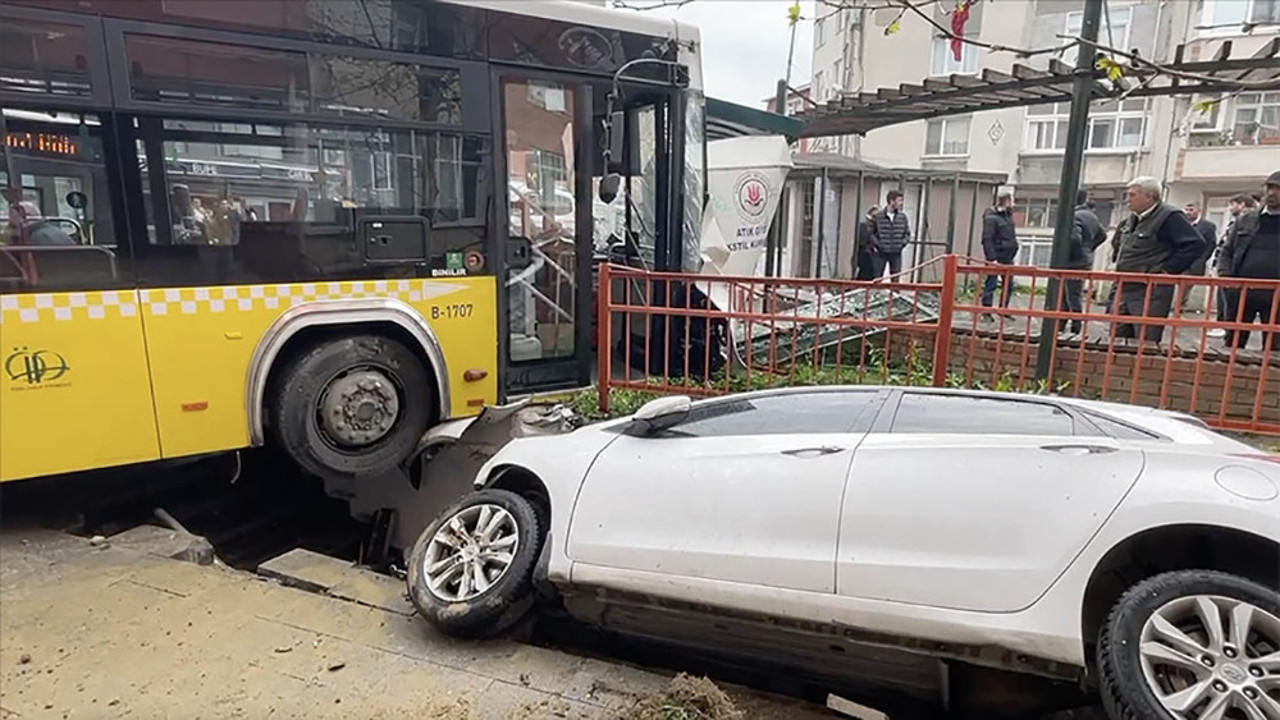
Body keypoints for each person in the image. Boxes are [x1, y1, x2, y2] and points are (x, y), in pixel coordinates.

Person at [1111, 176, 1206, 343]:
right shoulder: (1133, 219)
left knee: (1145, 340)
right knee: (1116, 339)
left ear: (1149, 196)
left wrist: (1168, 270)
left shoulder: (1169, 216)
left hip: (1149, 290)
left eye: (1132, 195)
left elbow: (1195, 244)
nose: (1127, 200)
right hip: (1124, 287)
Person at [1218, 171, 1280, 350]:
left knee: (1274, 348)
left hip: (1276, 296)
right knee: (1233, 343)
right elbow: (1226, 251)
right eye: (1269, 187)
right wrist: (1226, 278)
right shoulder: (1246, 220)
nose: (1272, 193)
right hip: (1242, 292)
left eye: (1278, 188)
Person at [1209, 193, 1257, 336]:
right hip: (1227, 270)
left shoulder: (1250, 221)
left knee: (1230, 304)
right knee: (1224, 299)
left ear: (1242, 204)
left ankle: (1224, 325)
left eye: (1233, 204)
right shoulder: (1236, 222)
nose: (1230, 208)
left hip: (1241, 275)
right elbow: (1225, 247)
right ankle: (1223, 325)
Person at [1065, 190, 1108, 333]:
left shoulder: (1073, 216)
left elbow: (1074, 239)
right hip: (1084, 262)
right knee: (1071, 294)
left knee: (1070, 295)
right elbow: (1102, 235)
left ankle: (1075, 325)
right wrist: (1089, 249)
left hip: (1073, 263)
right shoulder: (1091, 216)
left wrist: (1074, 255)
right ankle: (1065, 324)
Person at [979, 189, 1018, 312]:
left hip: (1008, 256)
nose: (1014, 204)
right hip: (997, 255)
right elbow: (987, 238)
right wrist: (992, 258)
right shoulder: (991, 217)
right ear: (1006, 201)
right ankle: (986, 310)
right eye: (1011, 200)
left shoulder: (1007, 216)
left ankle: (1003, 309)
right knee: (991, 283)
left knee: (1009, 284)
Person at [1180, 202, 1217, 313]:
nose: (1188, 213)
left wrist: (1202, 259)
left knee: (1187, 285)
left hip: (1196, 261)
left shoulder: (1207, 226)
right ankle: (1178, 306)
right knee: (1179, 284)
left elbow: (1211, 244)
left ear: (1198, 210)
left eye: (1191, 210)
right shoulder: (1181, 223)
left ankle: (1182, 306)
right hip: (1180, 260)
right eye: (1186, 209)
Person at [872, 190, 910, 278]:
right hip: (881, 253)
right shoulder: (878, 217)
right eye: (899, 200)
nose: (901, 203)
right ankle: (876, 292)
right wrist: (879, 245)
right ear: (892, 201)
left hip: (896, 253)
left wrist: (901, 244)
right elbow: (871, 233)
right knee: (877, 277)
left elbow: (907, 233)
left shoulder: (902, 217)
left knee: (896, 278)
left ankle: (894, 292)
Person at [853, 205, 878, 280]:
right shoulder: (865, 226)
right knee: (864, 274)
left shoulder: (877, 227)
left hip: (873, 255)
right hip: (865, 254)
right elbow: (863, 240)